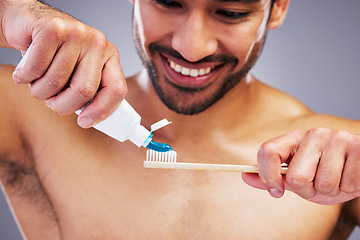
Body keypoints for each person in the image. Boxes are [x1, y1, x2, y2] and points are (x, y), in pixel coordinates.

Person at [0, 0, 359, 239]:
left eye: (231, 12)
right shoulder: (24, 109)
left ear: (277, 8)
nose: (192, 48)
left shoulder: (343, 157)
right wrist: (11, 14)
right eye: (169, 2)